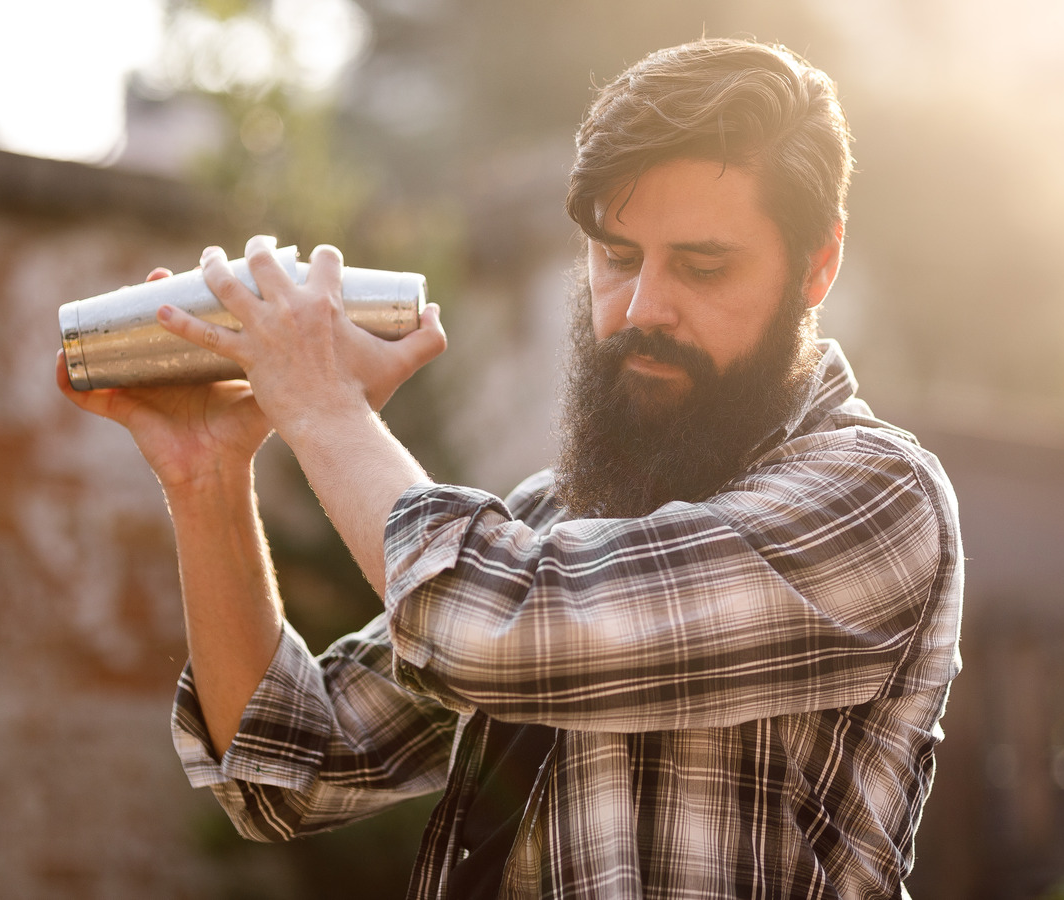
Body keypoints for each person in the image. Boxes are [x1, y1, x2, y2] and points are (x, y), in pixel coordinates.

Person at [58, 38, 963, 900]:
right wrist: (209, 477)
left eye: (703, 266)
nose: (644, 307)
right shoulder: (550, 516)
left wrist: (327, 412)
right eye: (617, 257)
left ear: (818, 265)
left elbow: (500, 626)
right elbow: (287, 766)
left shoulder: (876, 500)